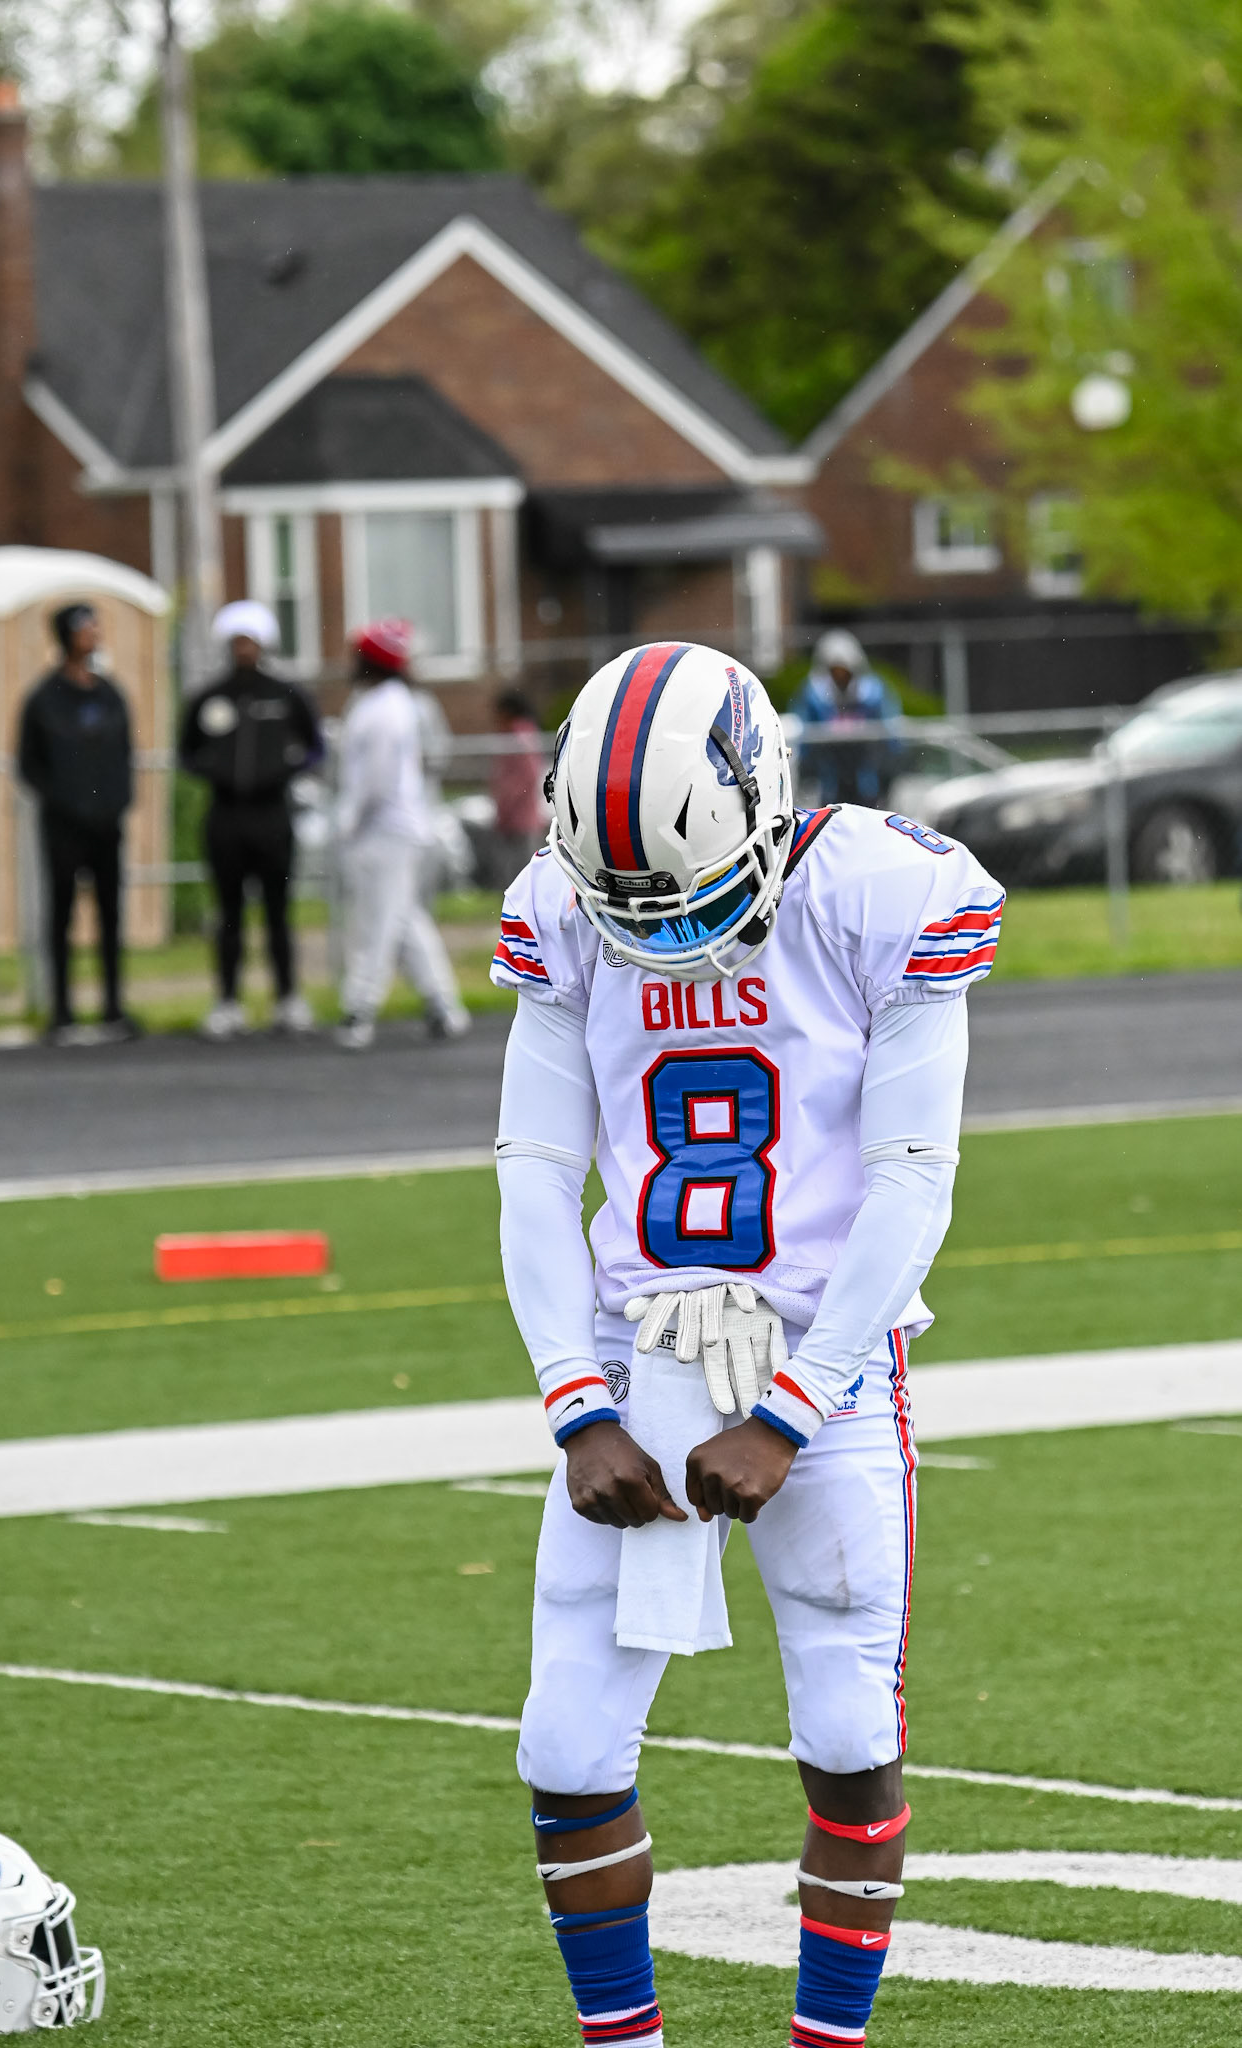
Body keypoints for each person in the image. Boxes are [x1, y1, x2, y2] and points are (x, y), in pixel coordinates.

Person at [489, 640, 1004, 2048]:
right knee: (565, 1741)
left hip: (822, 1351)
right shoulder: (563, 906)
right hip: (635, 1345)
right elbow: (535, 1165)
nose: (664, 936)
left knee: (847, 1727)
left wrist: (789, 1410)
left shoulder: (880, 892)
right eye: (628, 907)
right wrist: (576, 1403)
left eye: (694, 896)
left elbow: (912, 1176)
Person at [179, 599, 324, 1039]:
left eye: (250, 641)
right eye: (237, 641)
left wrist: (284, 769)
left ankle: (287, 997)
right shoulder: (210, 697)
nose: (244, 649)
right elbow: (187, 752)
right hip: (226, 816)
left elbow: (315, 747)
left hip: (273, 815)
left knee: (278, 911)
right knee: (228, 913)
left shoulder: (286, 695)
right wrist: (216, 771)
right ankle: (227, 1001)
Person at [334, 618, 470, 1051]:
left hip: (385, 831)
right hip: (395, 829)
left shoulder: (382, 709)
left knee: (376, 924)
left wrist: (349, 821)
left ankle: (359, 1010)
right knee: (404, 918)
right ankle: (443, 1005)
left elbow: (375, 780)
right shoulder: (386, 702)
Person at [17, 601, 139, 1043]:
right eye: (86, 627)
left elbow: (125, 753)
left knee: (111, 913)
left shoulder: (109, 694)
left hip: (106, 824)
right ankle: (62, 1010)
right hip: (64, 825)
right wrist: (64, 800)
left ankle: (113, 1006)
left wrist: (117, 801)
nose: (93, 634)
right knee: (61, 913)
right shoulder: (45, 698)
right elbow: (29, 764)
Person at [793, 628, 902, 808]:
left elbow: (891, 734)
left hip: (865, 772)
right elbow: (804, 736)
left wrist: (888, 768)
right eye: (835, 671)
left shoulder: (873, 692)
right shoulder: (814, 694)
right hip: (830, 773)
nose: (840, 677)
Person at [489, 688, 548, 886]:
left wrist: (509, 800)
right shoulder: (512, 735)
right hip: (510, 815)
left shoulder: (520, 735)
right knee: (510, 867)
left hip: (522, 815)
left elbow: (529, 774)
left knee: (524, 869)